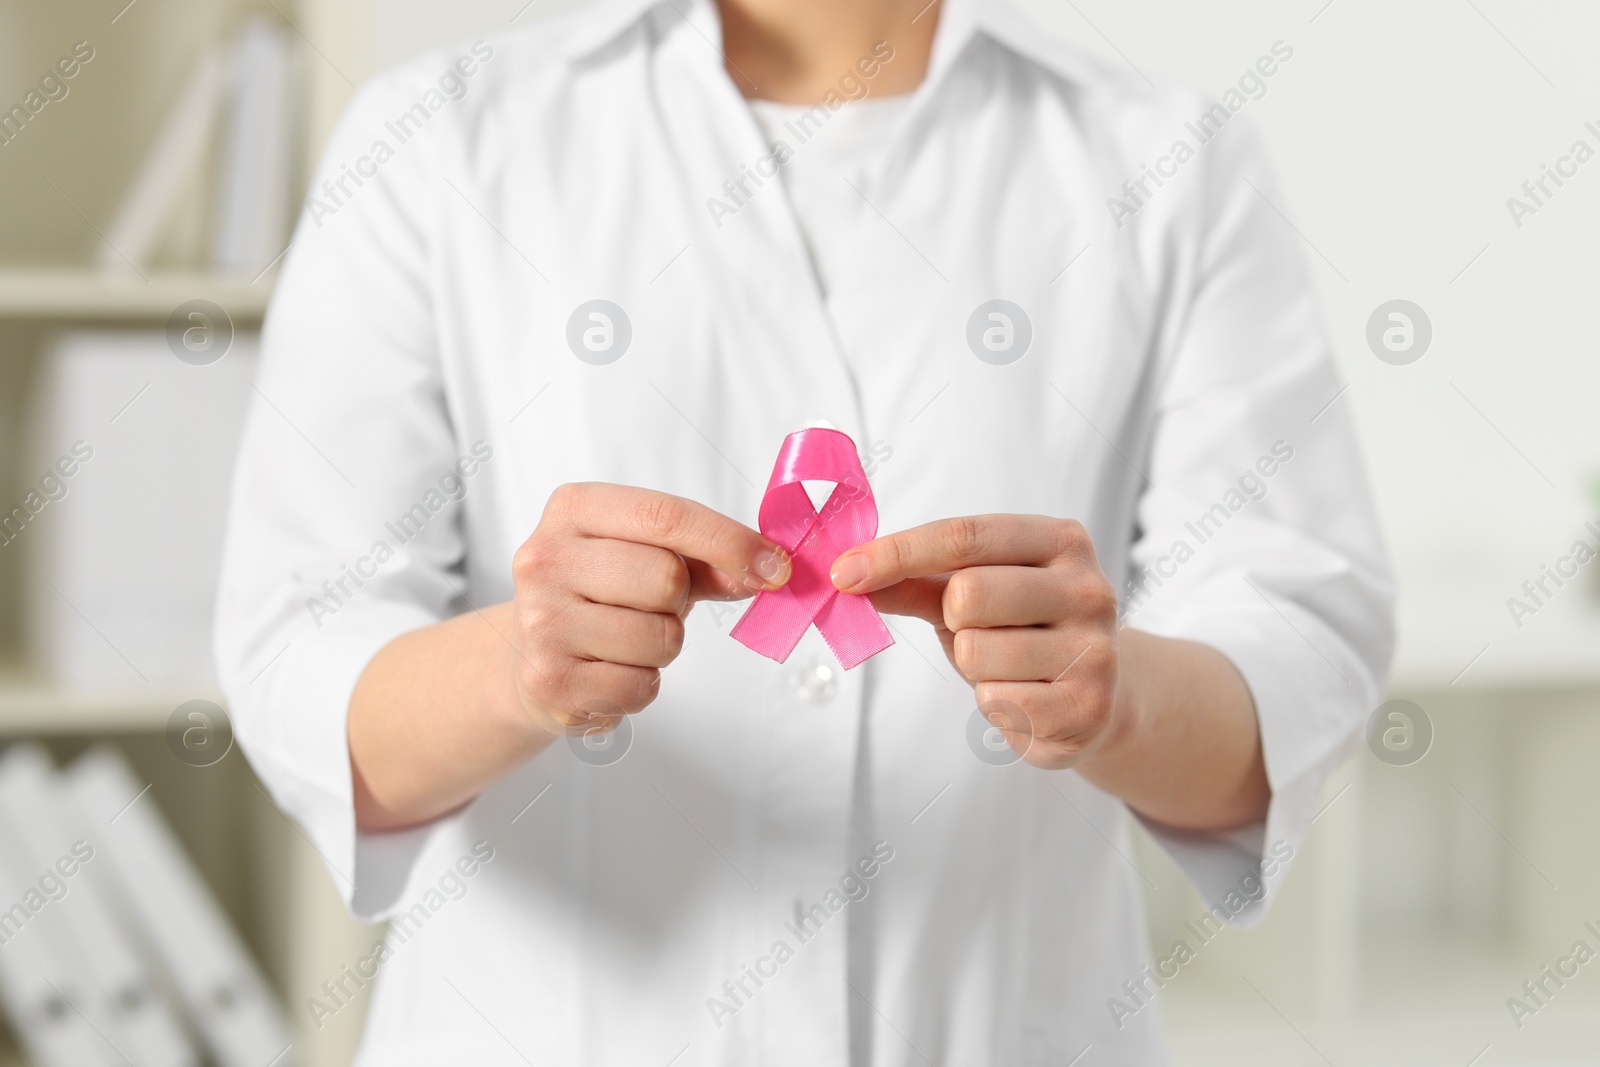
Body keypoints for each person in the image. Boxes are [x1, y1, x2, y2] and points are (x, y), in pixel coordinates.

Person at [214, 0, 1394, 1062]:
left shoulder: (1172, 161)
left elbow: (1301, 637)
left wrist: (1115, 690)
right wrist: (516, 664)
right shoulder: (436, 137)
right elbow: (295, 653)